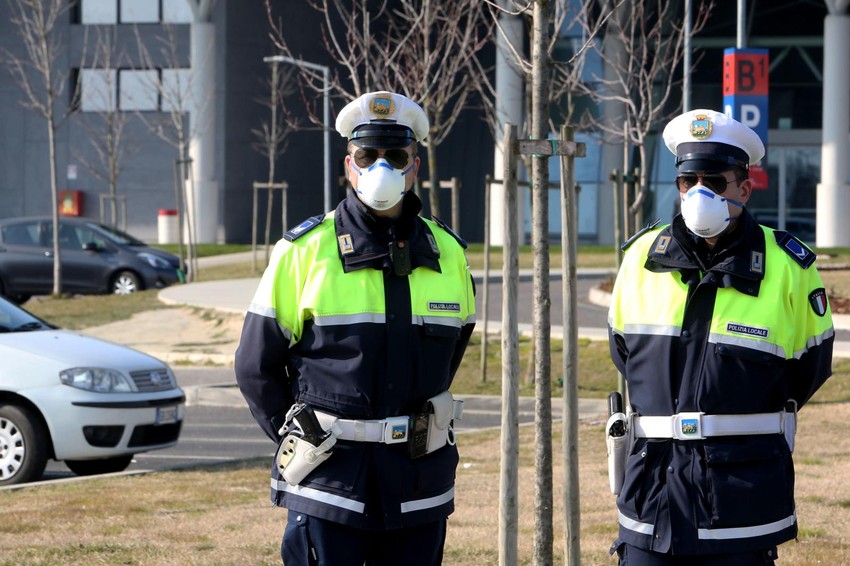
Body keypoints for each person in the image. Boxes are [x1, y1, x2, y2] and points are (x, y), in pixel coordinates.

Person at [234, 90, 476, 565]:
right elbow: (254, 366)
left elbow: (452, 356)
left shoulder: (450, 253)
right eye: (368, 155)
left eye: (395, 155)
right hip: (328, 484)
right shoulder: (303, 251)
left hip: (417, 481)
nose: (380, 167)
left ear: (415, 165)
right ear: (350, 165)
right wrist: (297, 438)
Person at [606, 109, 834, 565]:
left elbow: (810, 368)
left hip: (740, 502)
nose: (699, 193)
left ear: (745, 189)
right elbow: (624, 353)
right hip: (653, 499)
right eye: (689, 181)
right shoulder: (640, 259)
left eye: (715, 181)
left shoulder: (789, 266)